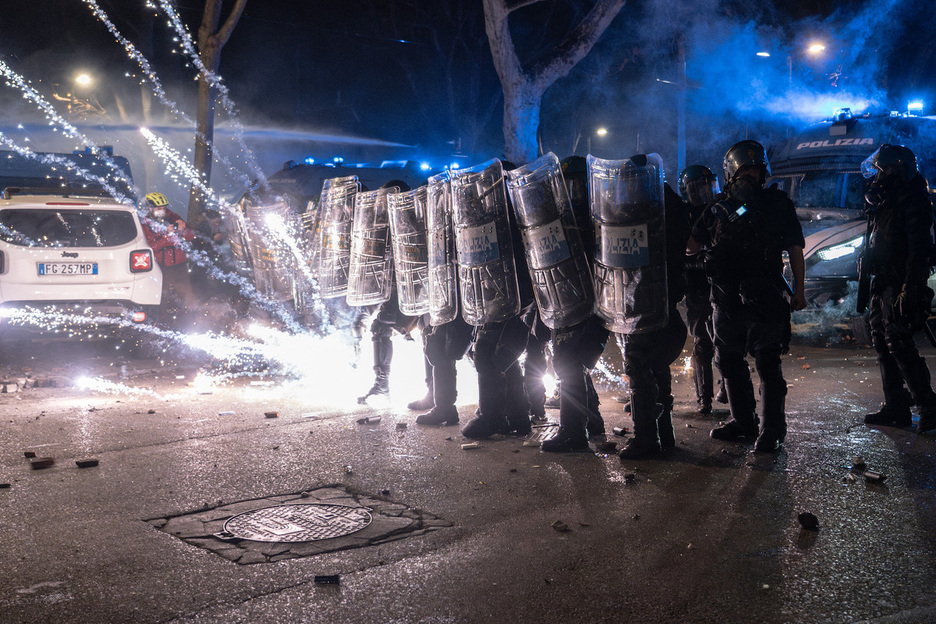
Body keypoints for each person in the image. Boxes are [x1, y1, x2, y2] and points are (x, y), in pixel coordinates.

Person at [688, 140, 806, 453]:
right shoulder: (764, 202)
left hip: (751, 294)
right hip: (736, 296)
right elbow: (694, 244)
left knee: (761, 362)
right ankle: (749, 425)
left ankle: (767, 430)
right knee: (731, 360)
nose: (752, 175)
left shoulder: (732, 203)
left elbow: (691, 245)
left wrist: (801, 290)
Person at [617, 161, 691, 459]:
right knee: (656, 366)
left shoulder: (657, 209)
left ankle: (646, 439)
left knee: (638, 363)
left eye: (632, 182)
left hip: (649, 299)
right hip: (655, 301)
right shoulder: (668, 204)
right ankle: (665, 433)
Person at [860, 144, 936, 432]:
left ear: (899, 169)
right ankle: (896, 406)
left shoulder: (914, 198)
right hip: (883, 279)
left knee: (899, 342)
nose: (880, 176)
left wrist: (911, 287)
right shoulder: (888, 198)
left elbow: (919, 250)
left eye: (885, 170)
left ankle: (927, 405)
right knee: (880, 339)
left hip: (899, 280)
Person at [540, 155, 610, 452]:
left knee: (570, 364)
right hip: (566, 302)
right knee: (572, 363)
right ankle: (591, 421)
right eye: (569, 185)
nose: (575, 192)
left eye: (580, 184)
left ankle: (573, 433)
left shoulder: (603, 217)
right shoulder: (560, 221)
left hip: (594, 303)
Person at [678, 165, 722, 414]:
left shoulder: (721, 209)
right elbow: (683, 249)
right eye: (697, 188)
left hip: (723, 283)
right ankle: (704, 398)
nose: (703, 192)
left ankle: (729, 387)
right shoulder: (684, 215)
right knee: (702, 342)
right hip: (696, 285)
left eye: (707, 185)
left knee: (726, 340)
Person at [141, 191, 196, 317]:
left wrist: (182, 230)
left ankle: (192, 318)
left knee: (187, 295)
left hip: (179, 265)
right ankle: (162, 321)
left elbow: (191, 235)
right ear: (150, 208)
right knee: (162, 297)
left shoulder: (173, 217)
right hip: (160, 266)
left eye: (164, 208)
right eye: (159, 208)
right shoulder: (146, 224)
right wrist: (168, 235)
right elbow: (152, 246)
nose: (162, 211)